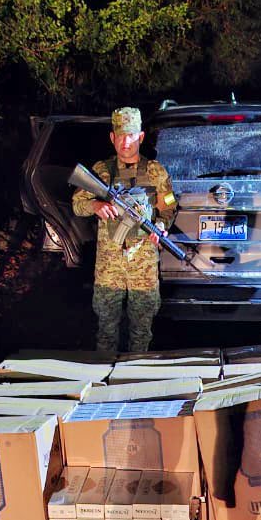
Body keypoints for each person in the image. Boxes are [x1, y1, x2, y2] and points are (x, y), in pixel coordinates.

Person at [70, 107, 177, 356]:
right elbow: (77, 205)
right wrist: (96, 205)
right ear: (112, 138)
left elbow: (169, 206)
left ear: (140, 137)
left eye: (131, 136)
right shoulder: (101, 171)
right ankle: (103, 380)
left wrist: (161, 225)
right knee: (106, 330)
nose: (126, 142)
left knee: (141, 331)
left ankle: (134, 377)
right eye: (120, 136)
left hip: (144, 265)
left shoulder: (155, 171)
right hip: (109, 266)